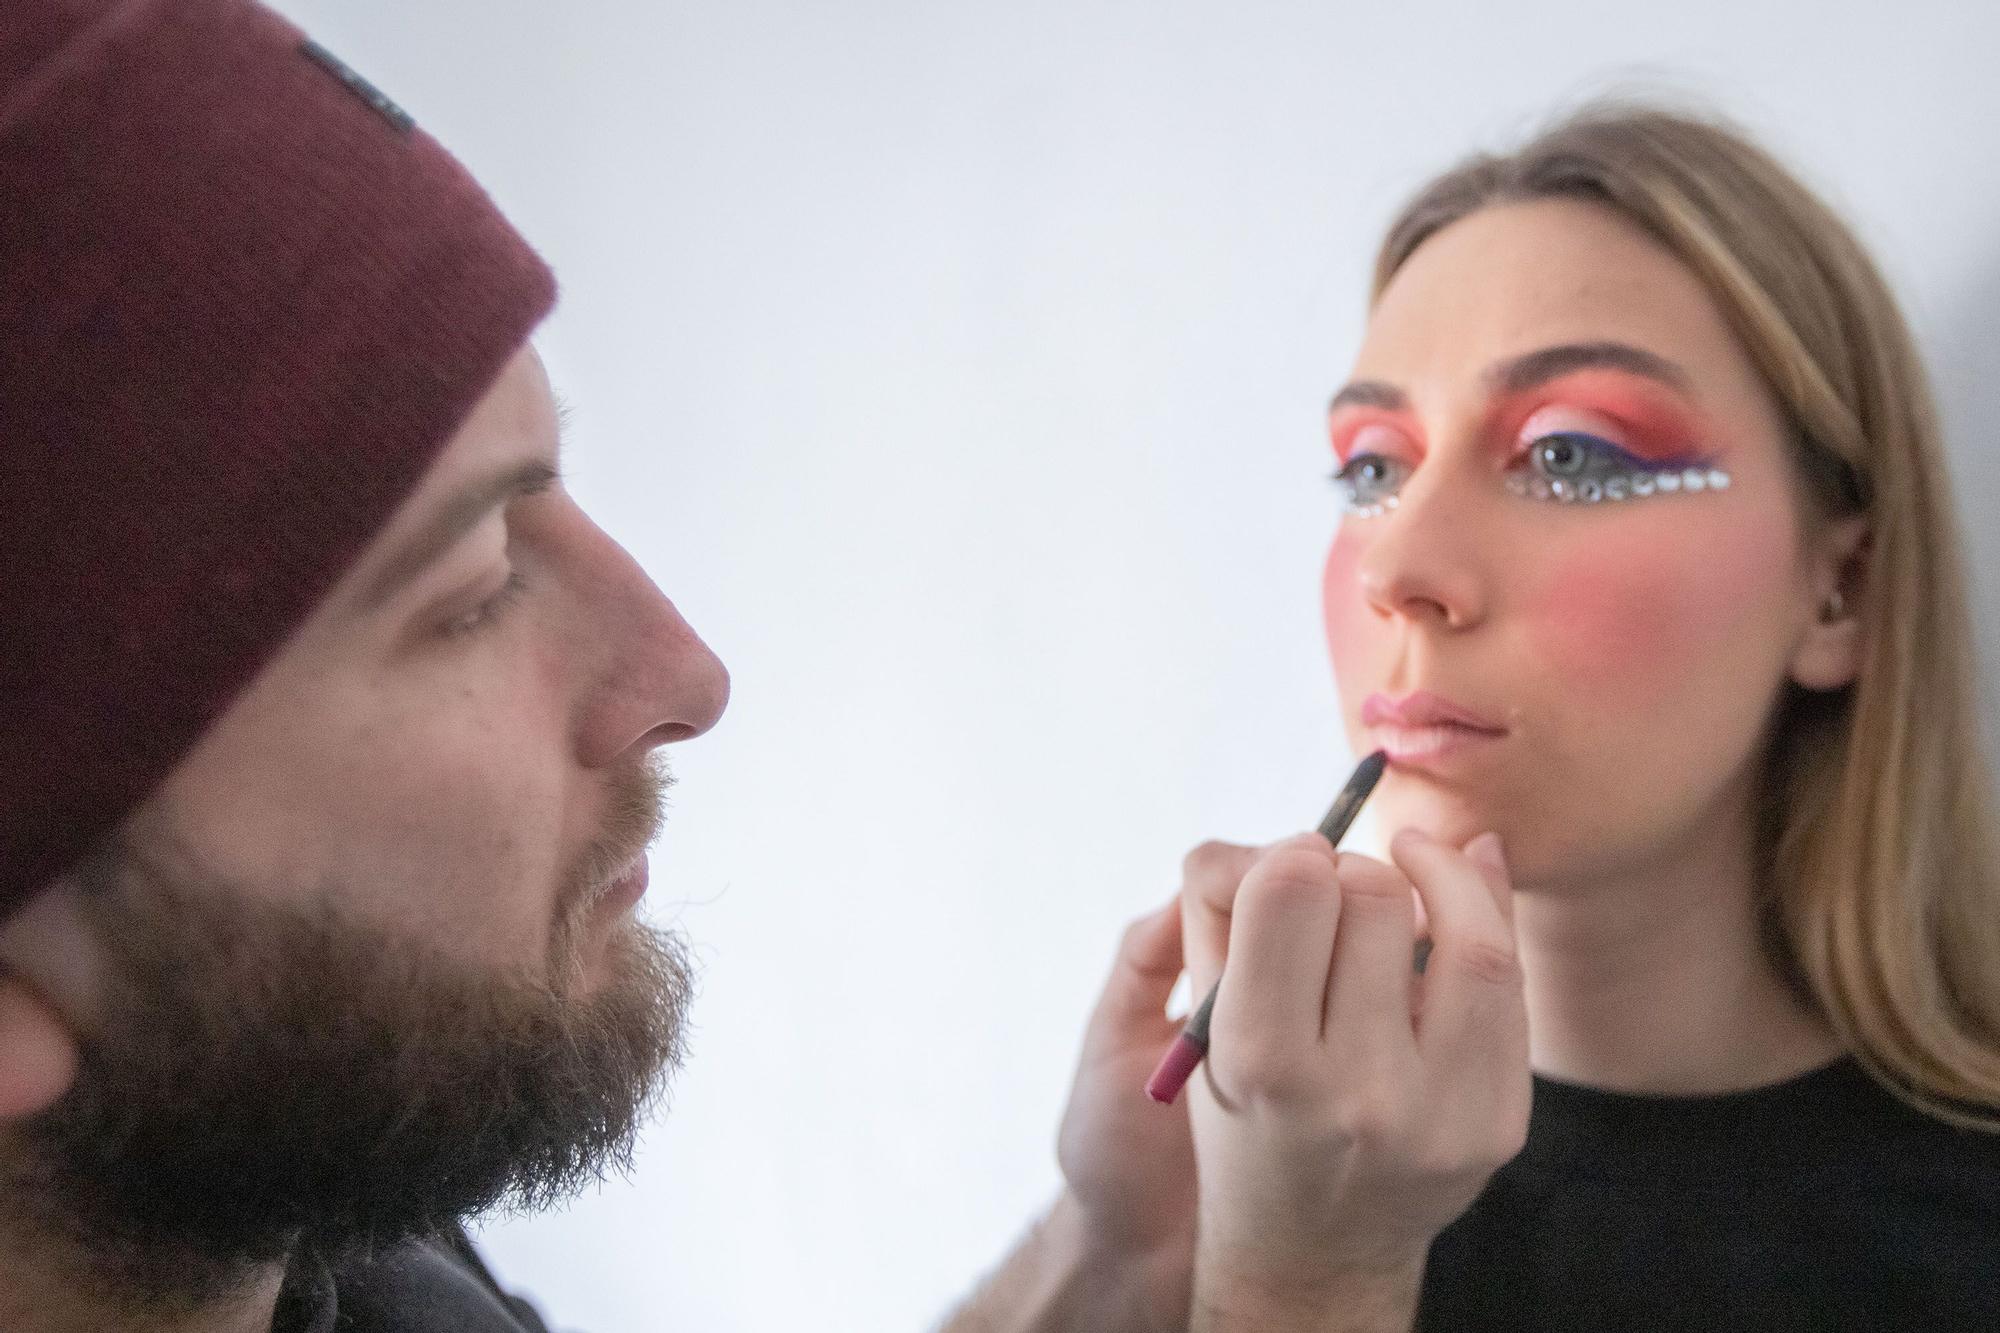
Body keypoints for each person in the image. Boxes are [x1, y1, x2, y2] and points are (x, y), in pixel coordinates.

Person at [5, 2, 1517, 1330]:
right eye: (466, 591)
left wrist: (1110, 1259)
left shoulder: (300, 1206)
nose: (684, 669)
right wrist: (1303, 1292)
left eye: (549, 483)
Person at [1158, 102, 2000, 1332]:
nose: (1401, 566)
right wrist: (1099, 1255)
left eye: (1571, 457)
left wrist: (1302, 1286)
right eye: (1373, 469)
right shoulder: (1240, 1146)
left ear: (1840, 592)